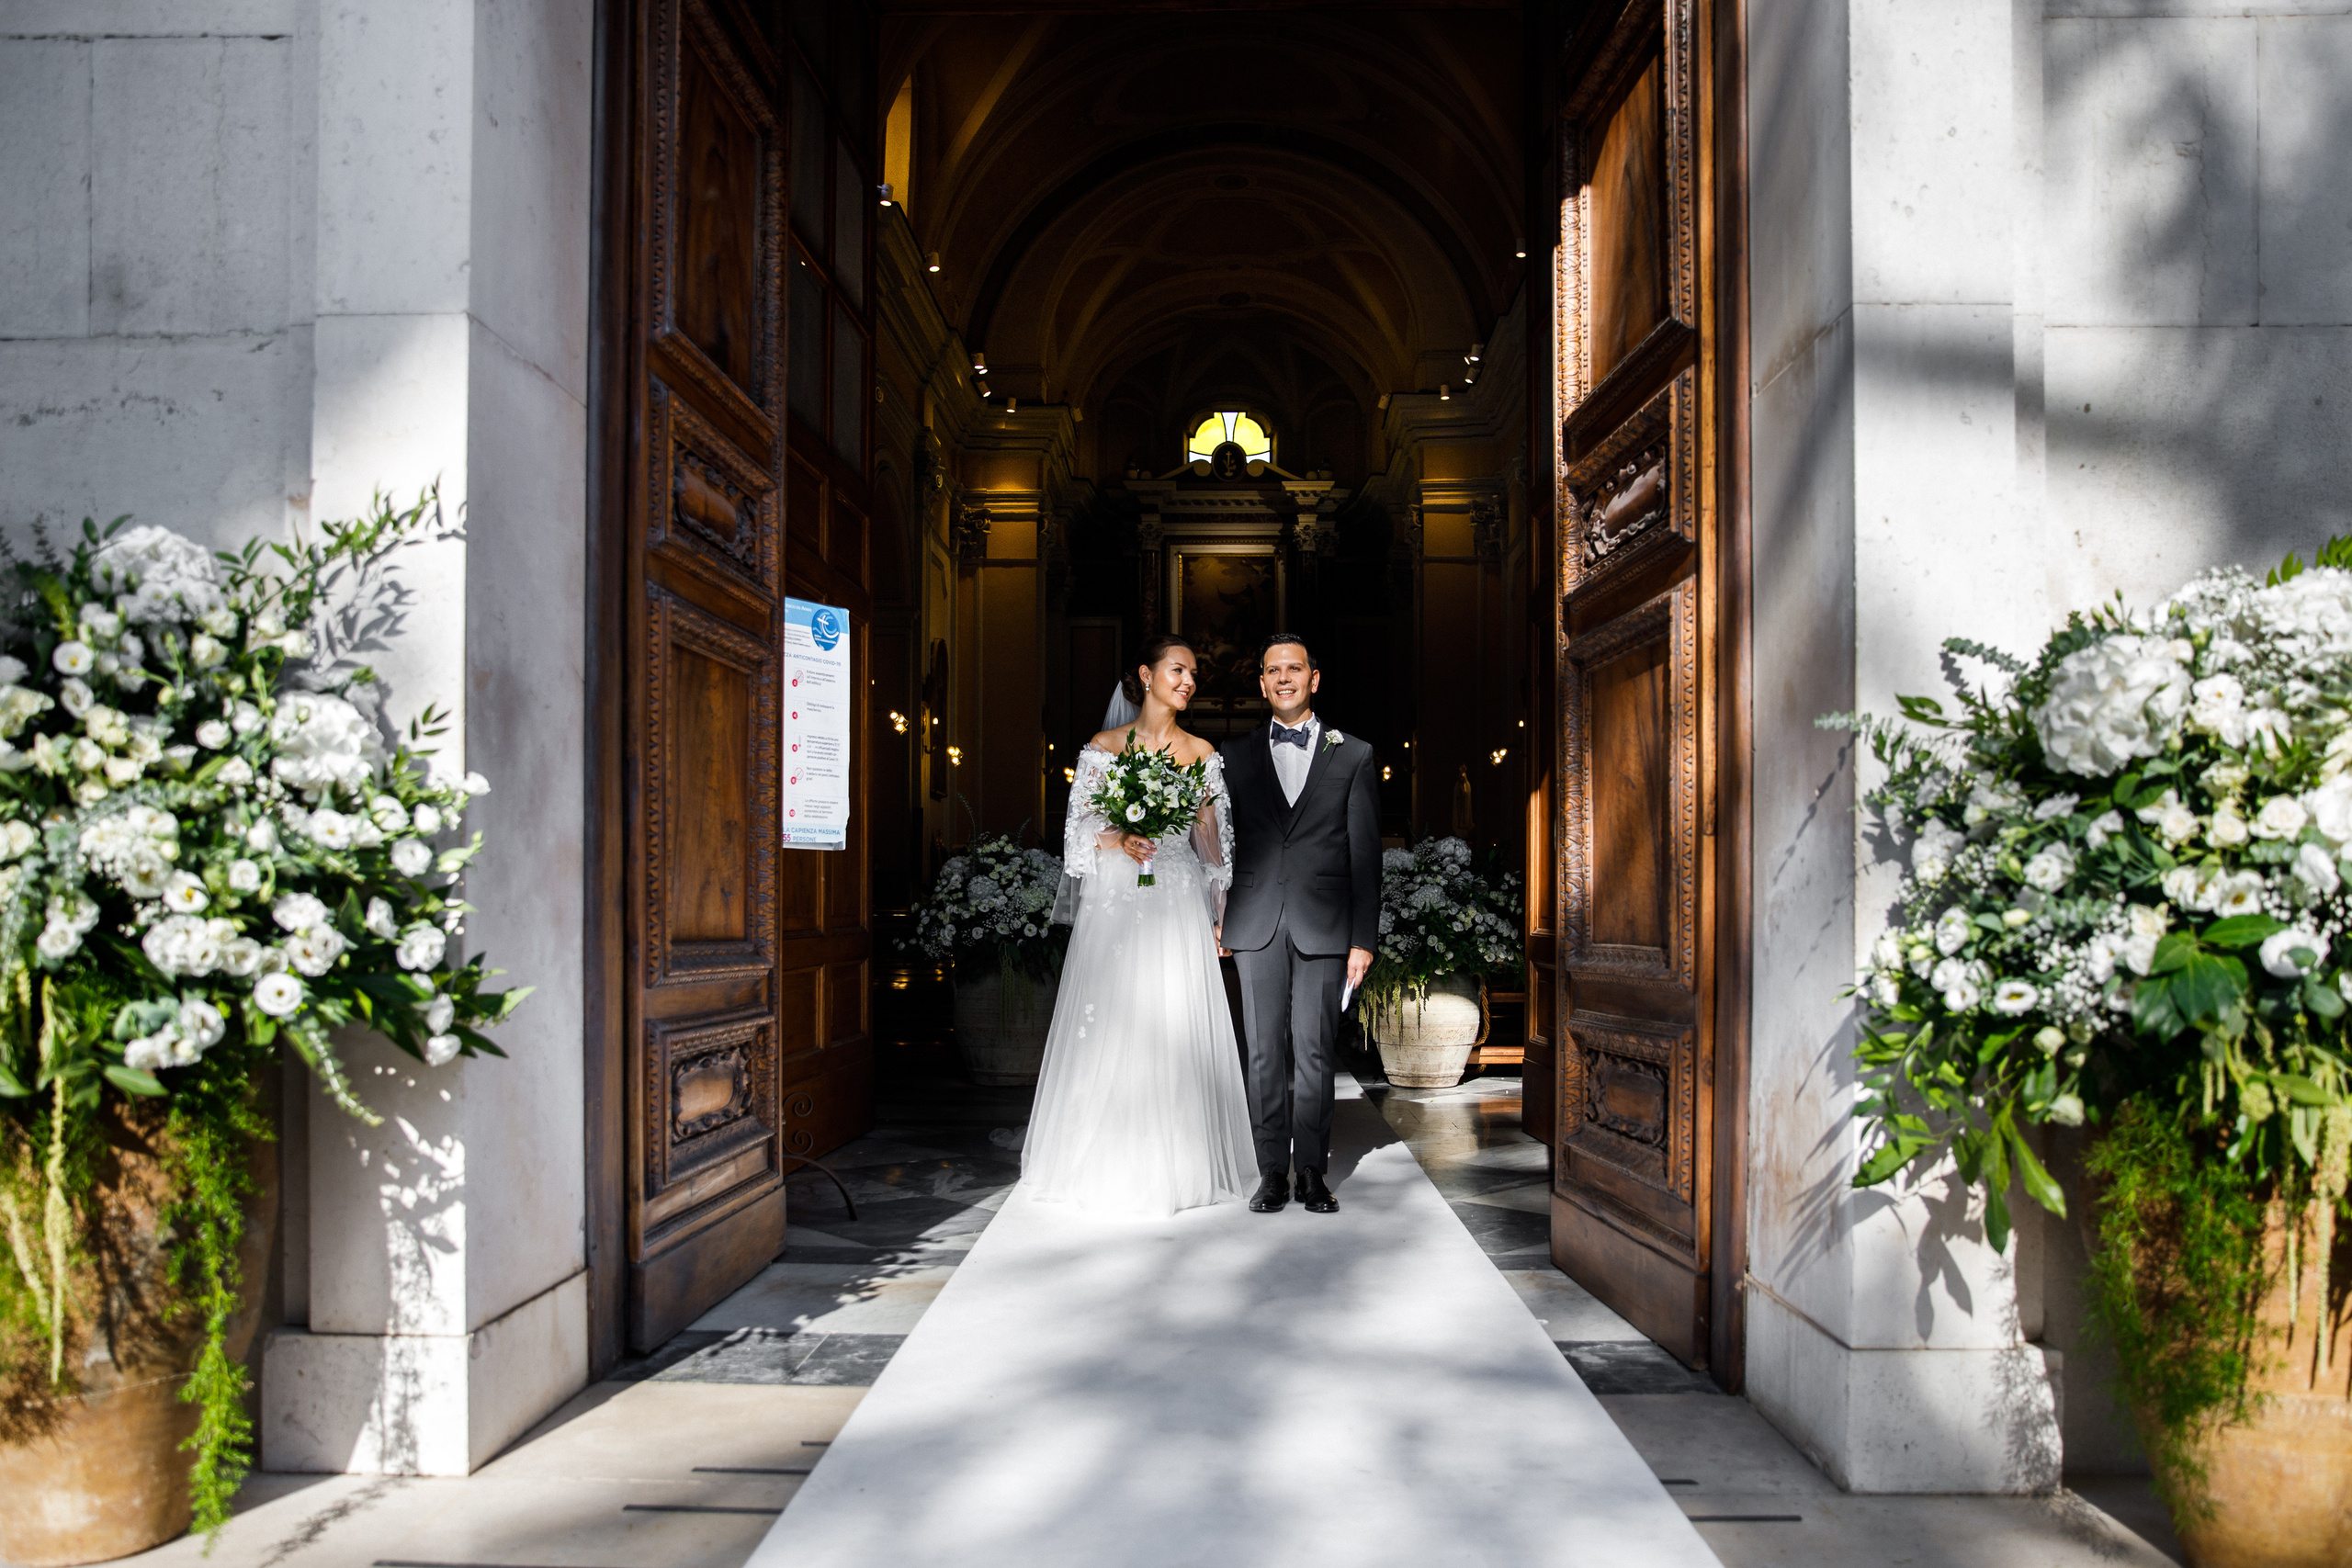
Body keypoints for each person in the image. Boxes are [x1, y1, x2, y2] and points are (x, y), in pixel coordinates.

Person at [1019, 635, 1255, 1215]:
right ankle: (1102, 1158)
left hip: (1177, 900)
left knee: (1174, 1018)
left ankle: (1182, 1165)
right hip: (1119, 900)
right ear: (1146, 675)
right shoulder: (1104, 746)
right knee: (1117, 1017)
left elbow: (1213, 846)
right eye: (1178, 670)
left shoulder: (1201, 751)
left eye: (1194, 673)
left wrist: (1222, 915)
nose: (1188, 681)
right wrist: (1119, 838)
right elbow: (1076, 837)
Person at [1215, 635, 1380, 1214]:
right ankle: (1271, 1174)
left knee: (1313, 1052)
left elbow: (1365, 854)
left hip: (1326, 925)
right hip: (1254, 922)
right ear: (1261, 684)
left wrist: (1363, 937)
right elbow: (1220, 847)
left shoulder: (1353, 754)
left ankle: (1311, 1170)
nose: (1284, 678)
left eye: (1294, 668)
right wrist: (1217, 914)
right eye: (1272, 670)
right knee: (1262, 1053)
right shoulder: (1230, 758)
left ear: (1314, 678)